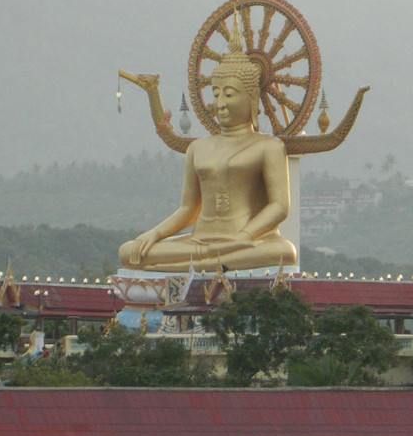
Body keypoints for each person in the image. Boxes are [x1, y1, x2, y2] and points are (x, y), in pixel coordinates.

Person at [118, 30, 298, 273]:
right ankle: (209, 261)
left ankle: (203, 263)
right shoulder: (198, 148)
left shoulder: (268, 146)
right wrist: (155, 233)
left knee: (284, 251)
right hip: (199, 240)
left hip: (247, 241)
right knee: (129, 252)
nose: (220, 103)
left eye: (229, 94)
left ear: (252, 97)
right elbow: (188, 210)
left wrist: (245, 234)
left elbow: (279, 207)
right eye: (216, 94)